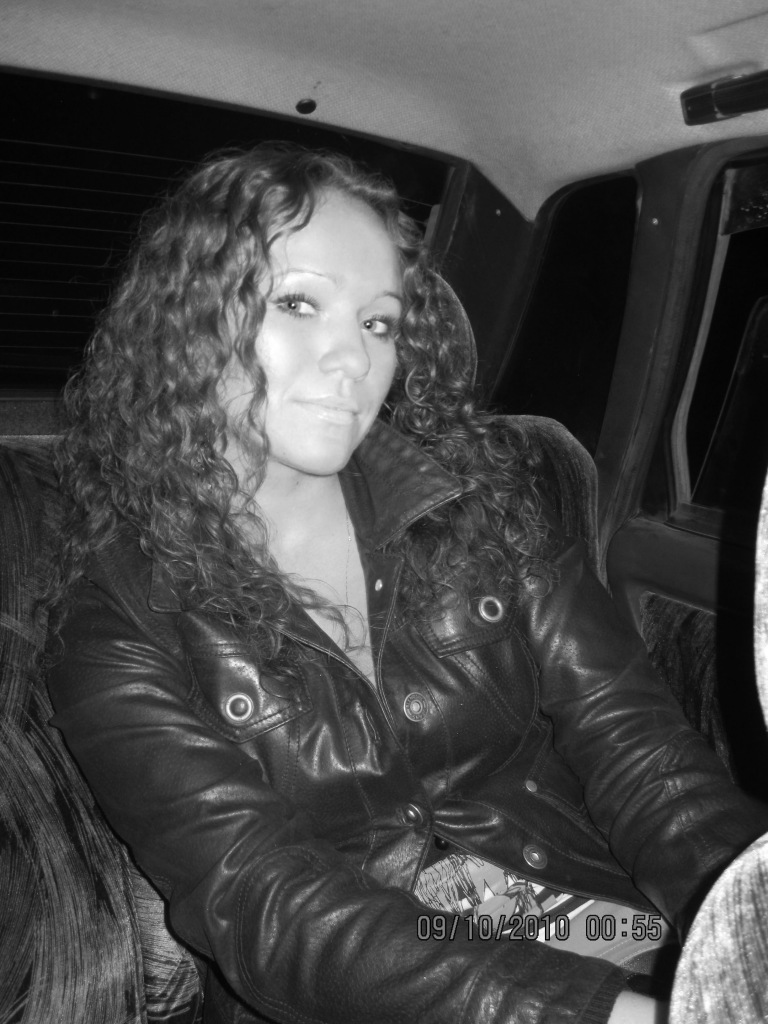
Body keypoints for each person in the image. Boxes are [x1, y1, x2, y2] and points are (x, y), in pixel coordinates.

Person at [46, 143, 766, 1024]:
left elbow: (635, 744)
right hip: (365, 986)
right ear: (185, 322)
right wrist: (617, 1016)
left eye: (379, 323)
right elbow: (263, 904)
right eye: (298, 304)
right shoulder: (116, 615)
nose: (352, 358)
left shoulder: (486, 499)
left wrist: (744, 929)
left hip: (575, 915)